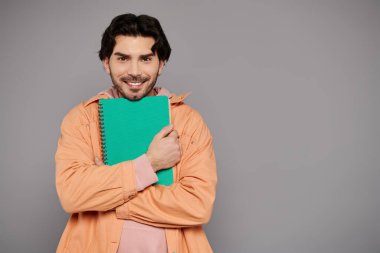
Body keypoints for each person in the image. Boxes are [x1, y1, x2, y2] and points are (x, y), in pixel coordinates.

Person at [55, 13, 217, 253]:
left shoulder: (189, 122)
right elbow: (72, 195)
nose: (134, 71)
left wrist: (108, 195)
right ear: (106, 61)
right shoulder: (80, 120)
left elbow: (198, 205)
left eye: (145, 59)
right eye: (123, 58)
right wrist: (149, 164)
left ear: (161, 63)